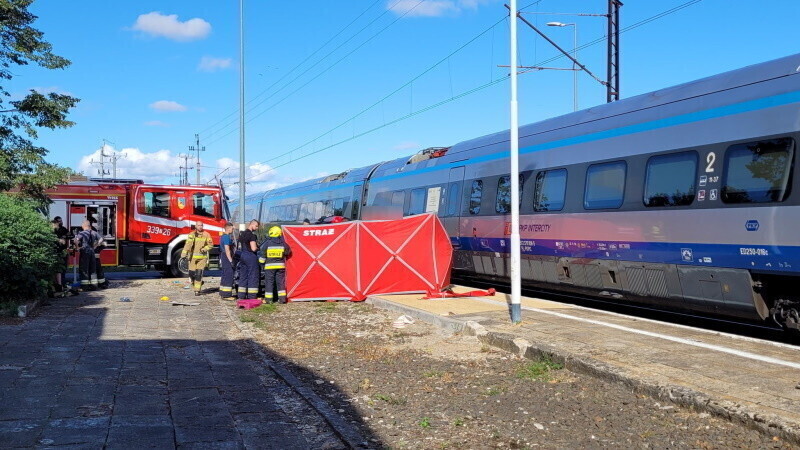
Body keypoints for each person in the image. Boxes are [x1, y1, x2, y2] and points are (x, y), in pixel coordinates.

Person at [259, 226, 291, 304]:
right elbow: (288, 252)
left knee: (269, 283)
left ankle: (269, 300)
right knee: (280, 283)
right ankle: (282, 299)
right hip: (280, 266)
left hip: (269, 267)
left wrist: (261, 262)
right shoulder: (283, 243)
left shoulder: (267, 243)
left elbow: (262, 255)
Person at [182, 221, 214, 296]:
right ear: (195, 226)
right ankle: (195, 283)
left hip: (202, 258)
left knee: (198, 274)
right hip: (192, 258)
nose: (200, 227)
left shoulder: (206, 234)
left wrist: (204, 249)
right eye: (199, 225)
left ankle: (197, 290)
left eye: (201, 225)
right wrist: (183, 254)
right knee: (191, 274)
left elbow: (211, 245)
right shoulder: (192, 234)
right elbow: (188, 244)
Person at [237, 219, 261, 300]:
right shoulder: (252, 235)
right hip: (250, 256)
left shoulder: (242, 234)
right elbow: (253, 248)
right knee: (253, 276)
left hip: (242, 255)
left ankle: (241, 295)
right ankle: (252, 296)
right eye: (256, 226)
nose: (257, 228)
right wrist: (258, 248)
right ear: (252, 224)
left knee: (243, 275)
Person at [74, 220, 97, 291]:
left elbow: (76, 240)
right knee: (92, 269)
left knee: (84, 269)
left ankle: (84, 287)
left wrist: (77, 247)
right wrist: (95, 246)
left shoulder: (82, 233)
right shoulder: (93, 232)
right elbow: (101, 239)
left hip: (85, 252)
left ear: (83, 225)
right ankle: (94, 286)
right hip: (92, 252)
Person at [219, 222, 236, 299]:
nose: (233, 230)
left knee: (225, 274)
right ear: (228, 228)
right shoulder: (226, 237)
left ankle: (222, 292)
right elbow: (227, 250)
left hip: (223, 256)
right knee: (229, 274)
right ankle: (227, 295)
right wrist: (230, 260)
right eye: (232, 228)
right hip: (226, 257)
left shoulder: (223, 236)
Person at [53, 216, 69, 287]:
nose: (61, 222)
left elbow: (71, 235)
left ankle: (63, 283)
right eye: (59, 221)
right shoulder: (53, 230)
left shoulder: (64, 229)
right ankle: (57, 284)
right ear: (56, 222)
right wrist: (59, 239)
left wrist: (64, 237)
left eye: (61, 220)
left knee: (63, 268)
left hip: (63, 251)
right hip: (55, 252)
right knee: (57, 269)